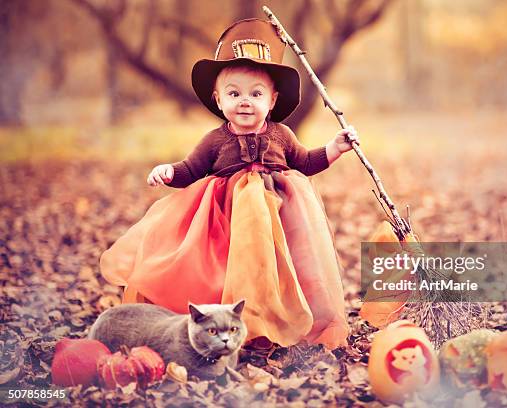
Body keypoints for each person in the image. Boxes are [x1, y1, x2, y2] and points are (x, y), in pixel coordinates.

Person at [100, 19, 359, 349]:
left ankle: (276, 322)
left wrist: (334, 148)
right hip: (228, 222)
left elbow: (305, 162)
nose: (245, 101)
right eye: (234, 94)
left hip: (278, 219)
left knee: (283, 270)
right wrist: (168, 171)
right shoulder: (215, 140)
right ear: (219, 100)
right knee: (228, 271)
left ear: (272, 100)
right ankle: (233, 324)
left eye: (256, 94)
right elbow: (191, 169)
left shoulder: (282, 134)